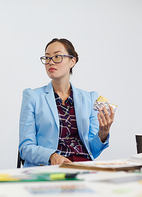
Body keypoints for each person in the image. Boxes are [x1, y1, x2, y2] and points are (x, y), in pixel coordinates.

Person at [19, 38, 115, 167]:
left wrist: (103, 134)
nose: (50, 62)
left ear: (72, 61)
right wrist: (51, 156)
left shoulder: (90, 98)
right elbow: (25, 147)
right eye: (47, 58)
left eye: (57, 56)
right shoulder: (32, 96)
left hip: (83, 167)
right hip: (50, 169)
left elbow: (92, 151)